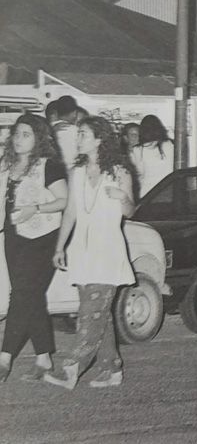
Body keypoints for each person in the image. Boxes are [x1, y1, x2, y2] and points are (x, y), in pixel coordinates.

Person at [45, 116, 136, 390]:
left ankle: (72, 368)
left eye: (83, 133)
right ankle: (112, 368)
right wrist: (60, 246)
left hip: (107, 250)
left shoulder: (120, 172)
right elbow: (71, 211)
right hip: (82, 251)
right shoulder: (78, 172)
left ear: (99, 139)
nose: (78, 138)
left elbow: (130, 211)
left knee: (89, 312)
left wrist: (123, 198)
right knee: (100, 313)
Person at [0, 114, 68, 383]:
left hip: (42, 236)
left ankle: (5, 356)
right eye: (17, 134)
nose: (18, 139)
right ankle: (44, 358)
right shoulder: (7, 165)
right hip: (15, 237)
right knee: (30, 295)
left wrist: (35, 209)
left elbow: (64, 200)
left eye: (26, 134)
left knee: (22, 293)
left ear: (39, 138)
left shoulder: (48, 166)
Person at [131, 115, 174, 198]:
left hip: (148, 193)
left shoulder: (137, 150)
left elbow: (139, 172)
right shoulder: (170, 144)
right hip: (169, 190)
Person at [46, 95, 80, 169]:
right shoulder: (77, 131)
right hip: (71, 171)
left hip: (50, 171)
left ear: (57, 112)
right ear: (74, 113)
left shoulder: (47, 129)